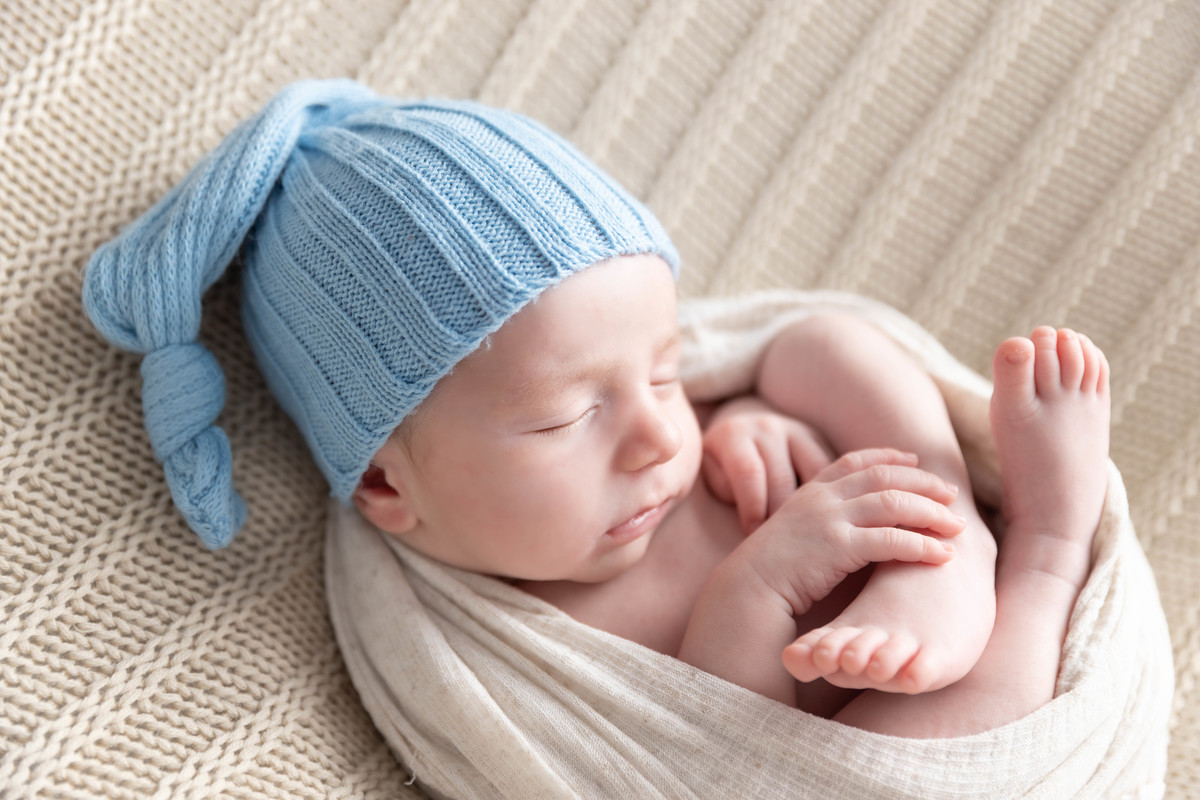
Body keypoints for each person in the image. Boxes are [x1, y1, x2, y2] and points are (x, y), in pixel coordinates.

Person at [83, 79, 1110, 739]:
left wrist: (753, 419)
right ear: (394, 483)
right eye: (564, 417)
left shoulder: (672, 439)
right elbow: (721, 754)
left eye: (664, 371)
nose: (662, 432)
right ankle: (1047, 547)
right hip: (857, 726)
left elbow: (729, 393)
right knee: (934, 749)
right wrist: (758, 583)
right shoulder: (503, 637)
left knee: (823, 348)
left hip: (886, 552)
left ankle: (951, 535)